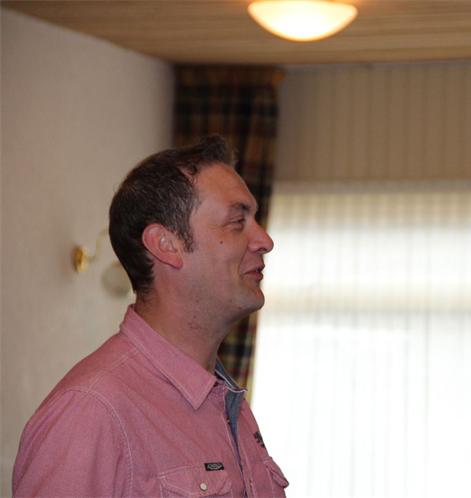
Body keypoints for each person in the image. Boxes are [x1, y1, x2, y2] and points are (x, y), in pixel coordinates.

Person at [13, 136, 289, 497]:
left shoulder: (227, 404)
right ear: (166, 245)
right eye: (237, 221)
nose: (265, 240)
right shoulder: (89, 413)